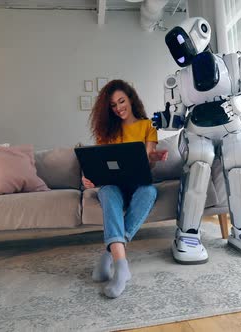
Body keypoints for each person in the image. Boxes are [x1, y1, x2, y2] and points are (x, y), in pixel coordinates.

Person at [152, 17, 241, 264]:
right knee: (197, 169)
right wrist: (164, 119)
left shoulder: (235, 62)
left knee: (240, 166)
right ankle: (187, 234)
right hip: (197, 128)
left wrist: (238, 103)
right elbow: (177, 117)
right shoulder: (178, 79)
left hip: (233, 125)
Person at [83, 79, 168, 298]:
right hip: (113, 185)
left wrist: (154, 157)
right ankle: (122, 267)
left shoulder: (148, 126)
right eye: (113, 105)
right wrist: (88, 177)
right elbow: (99, 162)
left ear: (131, 99)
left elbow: (147, 160)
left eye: (122, 101)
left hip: (139, 183)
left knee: (149, 192)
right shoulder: (107, 131)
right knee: (108, 191)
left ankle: (108, 257)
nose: (119, 107)